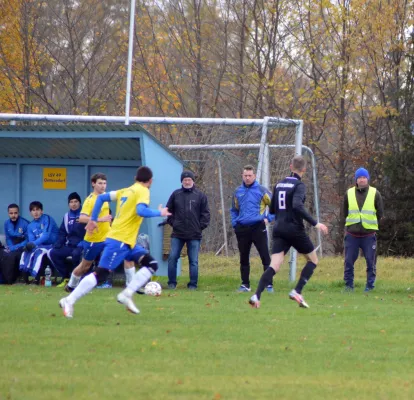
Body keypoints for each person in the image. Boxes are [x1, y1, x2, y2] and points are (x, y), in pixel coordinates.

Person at [59, 166, 171, 318]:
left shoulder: (125, 190)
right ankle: (69, 300)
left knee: (152, 264)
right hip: (119, 240)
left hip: (127, 241)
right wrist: (160, 212)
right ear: (150, 181)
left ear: (135, 179)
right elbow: (141, 211)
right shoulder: (143, 191)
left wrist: (93, 219)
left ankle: (127, 293)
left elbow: (102, 198)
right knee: (100, 274)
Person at [249, 155, 328, 309]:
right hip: (294, 229)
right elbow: (298, 206)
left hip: (279, 229)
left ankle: (256, 295)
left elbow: (272, 209)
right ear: (304, 169)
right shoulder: (299, 185)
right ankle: (297, 291)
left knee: (274, 266)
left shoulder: (278, 185)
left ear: (291, 167)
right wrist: (316, 223)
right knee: (313, 260)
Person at [64, 173, 112, 292]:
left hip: (107, 237)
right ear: (93, 184)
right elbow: (82, 218)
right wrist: (100, 219)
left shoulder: (105, 196)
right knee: (85, 266)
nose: (103, 186)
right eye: (100, 183)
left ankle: (105, 281)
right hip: (93, 239)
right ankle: (71, 285)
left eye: (105, 183)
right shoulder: (90, 200)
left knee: (115, 255)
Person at [230, 165, 274, 292]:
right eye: (245, 176)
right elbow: (234, 210)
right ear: (242, 176)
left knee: (265, 256)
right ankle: (245, 284)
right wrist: (235, 223)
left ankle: (268, 284)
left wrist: (268, 218)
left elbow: (275, 206)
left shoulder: (262, 190)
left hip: (258, 227)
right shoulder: (238, 191)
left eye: (250, 175)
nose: (247, 178)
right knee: (243, 258)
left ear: (254, 176)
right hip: (242, 229)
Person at [166, 170, 210, 290]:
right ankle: (171, 283)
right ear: (182, 181)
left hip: (194, 234)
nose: (187, 182)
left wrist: (200, 227)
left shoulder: (200, 196)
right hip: (177, 233)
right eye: (185, 180)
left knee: (193, 261)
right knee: (172, 257)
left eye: (189, 180)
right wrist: (174, 224)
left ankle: (192, 285)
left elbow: (206, 214)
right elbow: (168, 211)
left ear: (193, 181)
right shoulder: (176, 194)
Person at [343, 167, 384, 292]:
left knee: (371, 262)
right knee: (349, 261)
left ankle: (370, 286)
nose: (362, 180)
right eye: (359, 177)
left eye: (364, 177)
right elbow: (345, 212)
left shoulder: (375, 193)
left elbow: (380, 212)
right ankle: (349, 286)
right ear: (356, 179)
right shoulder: (349, 193)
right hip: (352, 234)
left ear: (368, 179)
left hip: (368, 234)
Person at [48, 192, 85, 287]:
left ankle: (77, 279)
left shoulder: (85, 215)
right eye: (71, 202)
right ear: (68, 204)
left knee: (76, 255)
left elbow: (90, 232)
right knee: (52, 253)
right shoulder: (66, 216)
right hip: (69, 245)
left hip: (82, 245)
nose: (73, 204)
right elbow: (62, 232)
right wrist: (59, 243)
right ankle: (66, 277)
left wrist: (83, 243)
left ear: (80, 203)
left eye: (76, 201)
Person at [19, 201, 59, 281]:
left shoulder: (47, 219)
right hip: (40, 246)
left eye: (37, 210)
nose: (35, 212)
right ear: (30, 212)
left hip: (52, 245)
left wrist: (32, 244)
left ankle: (36, 277)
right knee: (26, 252)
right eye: (33, 210)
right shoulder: (30, 226)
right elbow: (31, 240)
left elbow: (46, 236)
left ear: (42, 211)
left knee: (38, 252)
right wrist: (29, 246)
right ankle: (25, 273)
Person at [0, 204, 29, 284]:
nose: (13, 215)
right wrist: (11, 247)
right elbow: (8, 237)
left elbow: (28, 239)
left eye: (15, 213)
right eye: (11, 213)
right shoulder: (6, 223)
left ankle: (20, 278)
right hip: (11, 246)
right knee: (4, 254)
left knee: (17, 255)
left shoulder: (25, 223)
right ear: (8, 213)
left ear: (18, 213)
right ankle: (6, 279)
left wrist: (15, 247)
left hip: (22, 246)